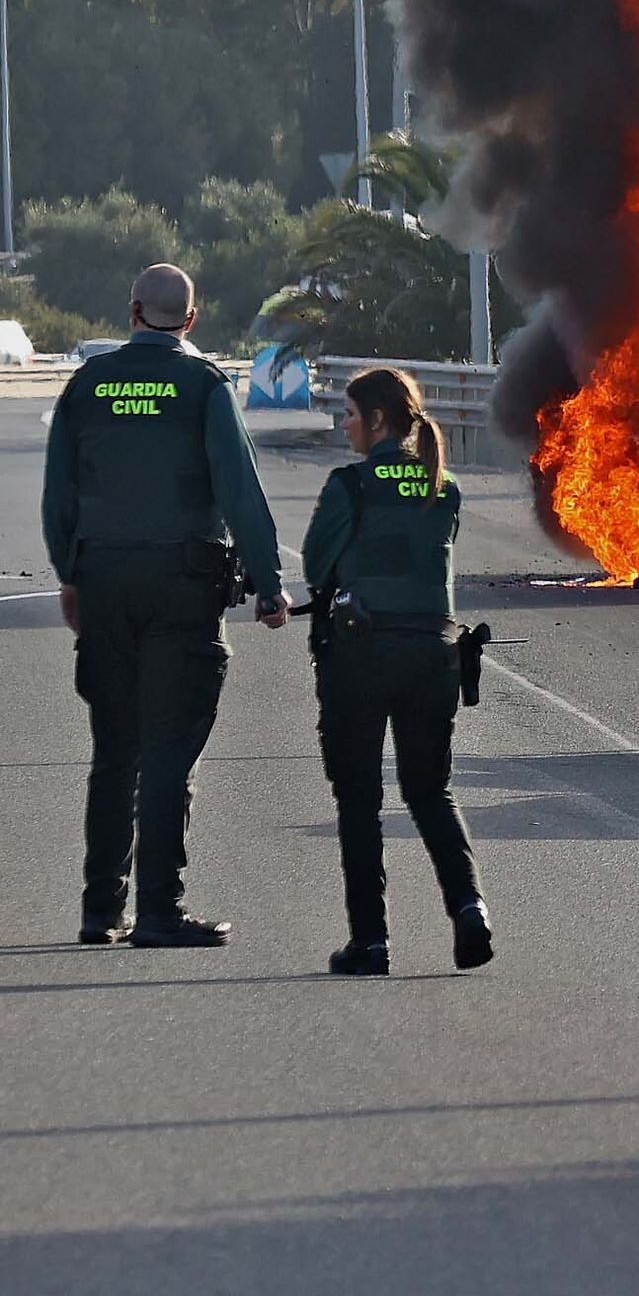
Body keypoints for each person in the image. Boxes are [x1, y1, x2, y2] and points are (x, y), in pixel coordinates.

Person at [42, 262, 287, 948]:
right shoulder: (204, 385)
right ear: (191, 317)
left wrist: (70, 574)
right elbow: (241, 491)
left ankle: (100, 909)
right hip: (182, 585)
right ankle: (159, 910)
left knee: (114, 749)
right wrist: (268, 584)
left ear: (131, 311)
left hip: (106, 583)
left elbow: (58, 492)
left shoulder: (88, 384)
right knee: (169, 750)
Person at [302, 365, 492, 976]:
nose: (345, 424)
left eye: (352, 414)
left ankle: (371, 941)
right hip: (434, 655)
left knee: (358, 799)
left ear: (378, 419)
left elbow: (315, 565)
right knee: (430, 792)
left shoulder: (349, 486)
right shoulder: (447, 485)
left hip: (361, 654)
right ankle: (470, 909)